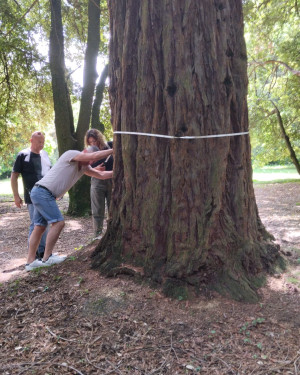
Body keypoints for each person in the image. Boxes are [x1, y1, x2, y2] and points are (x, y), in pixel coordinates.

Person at [25, 147, 113, 271]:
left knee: (39, 227)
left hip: (40, 192)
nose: (91, 162)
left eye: (92, 162)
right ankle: (47, 258)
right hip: (43, 192)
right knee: (59, 223)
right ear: (84, 152)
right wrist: (114, 150)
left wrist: (120, 172)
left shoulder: (84, 168)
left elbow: (101, 175)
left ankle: (30, 263)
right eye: (90, 157)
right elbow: (94, 156)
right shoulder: (72, 154)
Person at [11, 131, 52, 260]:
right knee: (36, 224)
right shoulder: (23, 155)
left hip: (46, 194)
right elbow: (14, 176)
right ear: (31, 141)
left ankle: (42, 252)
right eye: (39, 142)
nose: (41, 144)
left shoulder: (44, 155)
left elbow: (50, 175)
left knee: (45, 223)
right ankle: (33, 255)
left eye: (43, 142)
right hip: (32, 196)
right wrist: (16, 196)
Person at [85, 129, 114, 237]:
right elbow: (85, 169)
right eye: (90, 142)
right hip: (97, 181)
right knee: (97, 210)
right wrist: (96, 169)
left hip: (111, 179)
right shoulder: (88, 152)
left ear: (99, 139)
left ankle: (112, 233)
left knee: (113, 208)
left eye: (94, 141)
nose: (93, 143)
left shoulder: (110, 146)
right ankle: (97, 235)